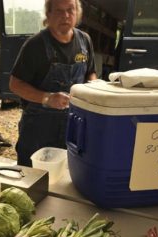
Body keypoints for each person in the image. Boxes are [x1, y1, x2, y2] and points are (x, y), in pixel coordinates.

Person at [9, 0, 97, 166]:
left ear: (77, 13)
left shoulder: (85, 41)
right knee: (32, 177)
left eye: (70, 10)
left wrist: (92, 88)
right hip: (38, 128)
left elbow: (90, 72)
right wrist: (47, 98)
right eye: (59, 11)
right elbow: (15, 84)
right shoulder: (35, 45)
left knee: (67, 174)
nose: (65, 16)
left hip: (73, 125)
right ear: (48, 15)